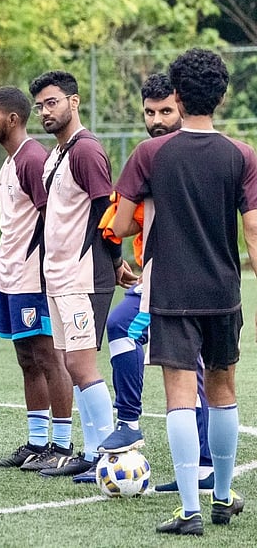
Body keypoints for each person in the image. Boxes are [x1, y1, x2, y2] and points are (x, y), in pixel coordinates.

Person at [113, 49, 250, 535]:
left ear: (177, 93)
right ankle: (223, 496)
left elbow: (123, 222)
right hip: (222, 291)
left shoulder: (150, 154)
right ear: (221, 95)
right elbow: (253, 233)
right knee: (222, 388)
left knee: (178, 395)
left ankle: (189, 510)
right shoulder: (241, 154)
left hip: (169, 290)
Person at [29, 70, 130, 482]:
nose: (44, 112)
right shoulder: (57, 152)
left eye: (52, 103)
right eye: (39, 106)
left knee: (83, 365)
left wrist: (115, 260)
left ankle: (105, 455)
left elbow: (107, 209)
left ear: (74, 102)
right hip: (60, 275)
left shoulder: (86, 150)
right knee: (72, 364)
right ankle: (90, 453)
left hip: (84, 275)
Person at [0, 86, 75, 470]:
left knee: (48, 356)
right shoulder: (11, 161)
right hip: (11, 276)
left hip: (34, 276)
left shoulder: (33, 158)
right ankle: (37, 442)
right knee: (26, 357)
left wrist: (43, 269)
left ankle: (63, 445)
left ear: (13, 119)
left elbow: (50, 216)